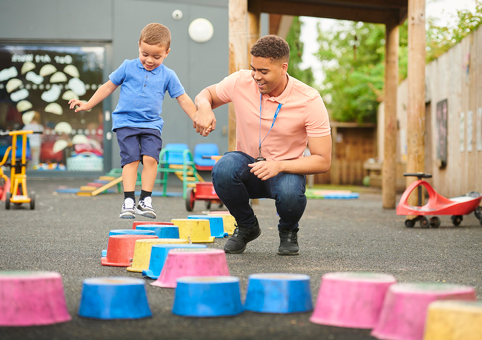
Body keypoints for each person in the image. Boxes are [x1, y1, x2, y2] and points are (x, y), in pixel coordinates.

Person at [193, 35, 332, 256]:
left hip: (285, 171)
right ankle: (247, 226)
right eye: (253, 69)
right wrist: (204, 107)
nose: (256, 76)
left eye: (264, 71)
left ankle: (288, 230)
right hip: (248, 167)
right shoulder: (241, 81)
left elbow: (323, 160)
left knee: (289, 193)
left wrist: (278, 165)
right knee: (224, 168)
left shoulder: (309, 100)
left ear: (283, 67)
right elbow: (206, 94)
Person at [69, 23, 196, 219]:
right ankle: (129, 200)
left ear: (167, 53)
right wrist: (88, 104)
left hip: (151, 124)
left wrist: (197, 117)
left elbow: (183, 98)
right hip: (126, 122)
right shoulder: (128, 66)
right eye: (145, 54)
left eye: (157, 56)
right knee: (132, 159)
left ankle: (145, 200)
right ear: (139, 45)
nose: (149, 60)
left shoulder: (168, 75)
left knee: (151, 159)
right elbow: (107, 87)